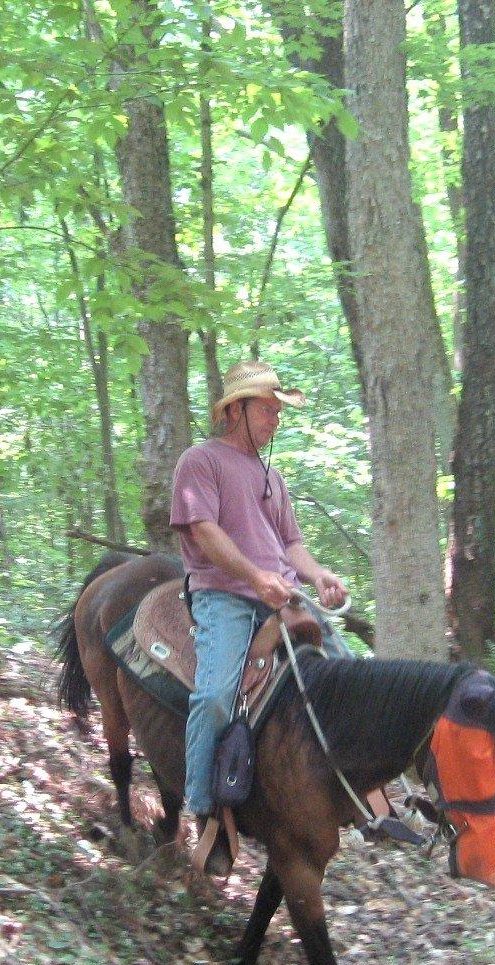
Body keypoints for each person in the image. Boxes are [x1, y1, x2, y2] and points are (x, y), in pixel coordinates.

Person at [170, 360, 354, 875]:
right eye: (268, 409)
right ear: (236, 410)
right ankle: (200, 802)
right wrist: (254, 577)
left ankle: (350, 790)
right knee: (214, 696)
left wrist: (318, 578)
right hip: (225, 597)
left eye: (278, 410)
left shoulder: (273, 477)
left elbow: (291, 543)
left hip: (284, 597)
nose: (276, 418)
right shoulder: (199, 461)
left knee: (348, 675)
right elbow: (204, 530)